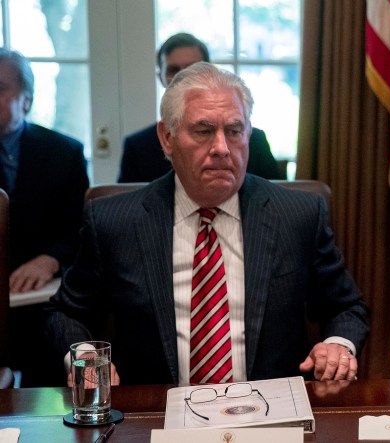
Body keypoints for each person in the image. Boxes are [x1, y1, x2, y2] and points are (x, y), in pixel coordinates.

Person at [45, 62, 369, 385]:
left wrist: (337, 345)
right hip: (157, 415)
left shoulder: (297, 214)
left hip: (272, 412)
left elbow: (346, 307)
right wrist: (85, 357)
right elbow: (66, 312)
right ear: (167, 137)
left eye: (233, 130)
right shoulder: (115, 222)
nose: (221, 148)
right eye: (203, 131)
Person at [119, 32, 284, 183]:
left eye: (193, 68)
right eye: (173, 70)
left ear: (209, 70)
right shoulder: (138, 147)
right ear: (160, 76)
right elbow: (129, 208)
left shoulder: (253, 141)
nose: (183, 77)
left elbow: (275, 201)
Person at [0, 49, 89, 293]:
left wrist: (51, 259)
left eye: (0, 88)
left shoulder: (65, 152)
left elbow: (82, 227)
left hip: (45, 291)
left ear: (26, 100)